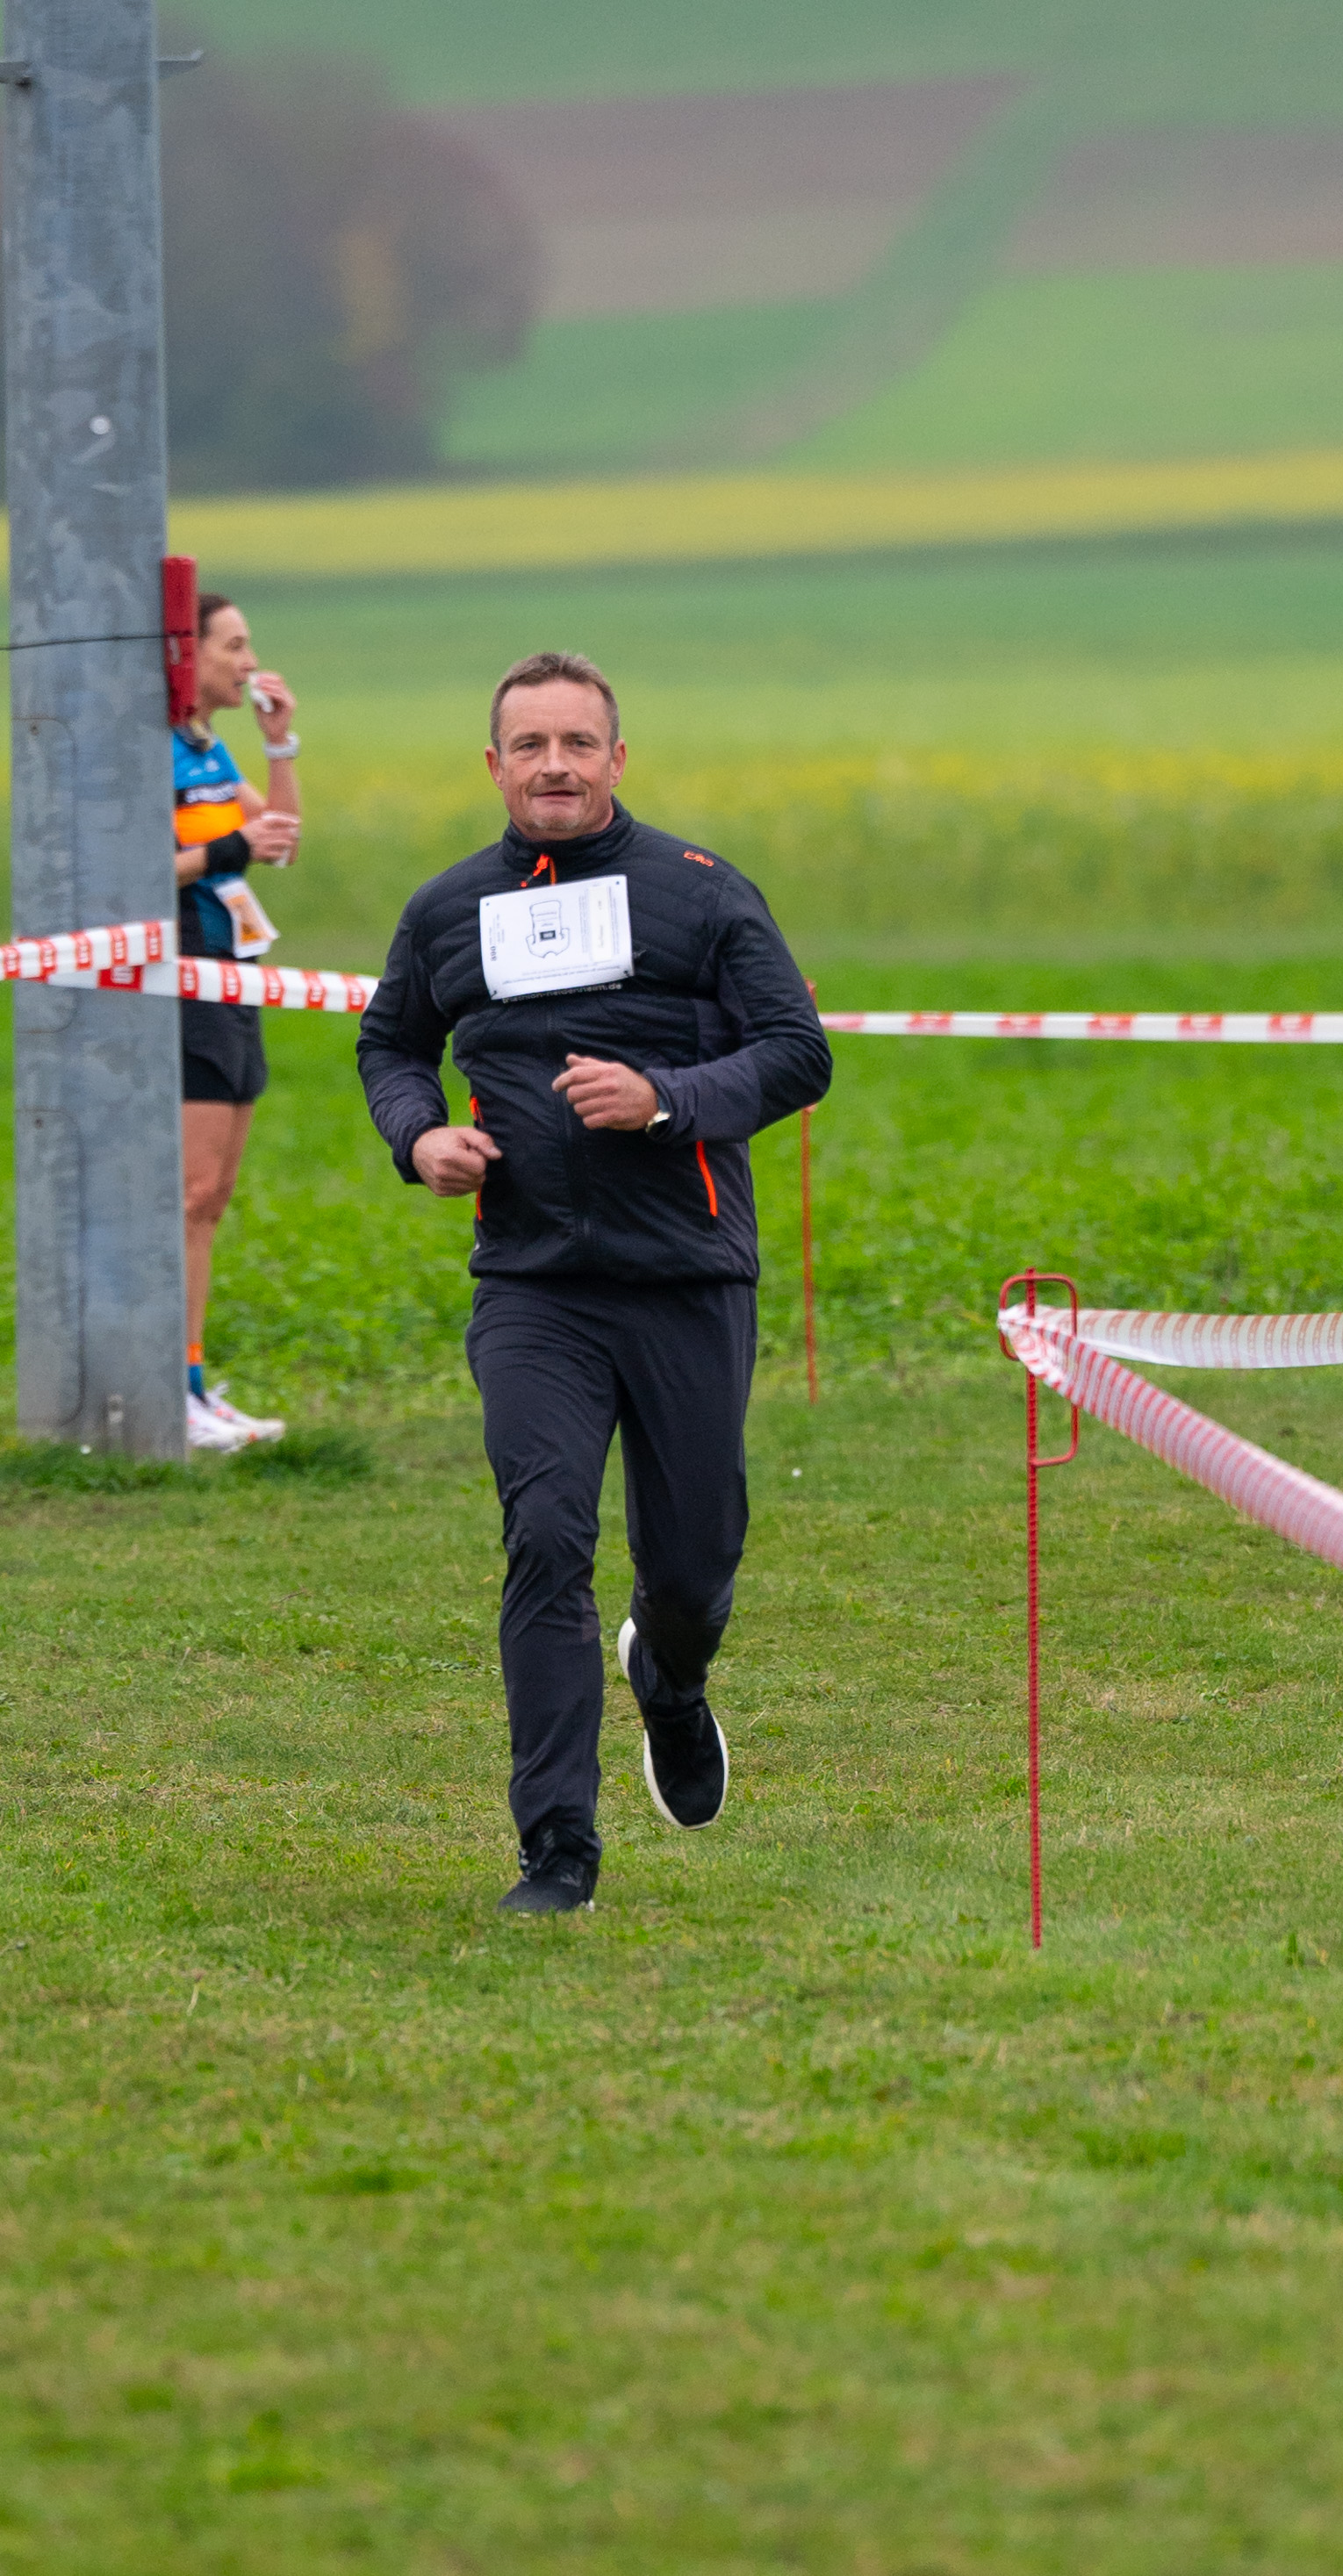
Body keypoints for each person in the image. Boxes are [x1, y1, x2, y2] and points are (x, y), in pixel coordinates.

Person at [357, 651, 831, 1915]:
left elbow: (797, 1053)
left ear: (618, 758)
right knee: (546, 1537)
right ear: (495, 764)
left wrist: (665, 1097)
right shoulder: (446, 909)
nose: (555, 765)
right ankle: (558, 1847)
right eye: (531, 745)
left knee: (692, 1566)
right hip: (535, 1288)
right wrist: (418, 1136)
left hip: (686, 1277)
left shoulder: (701, 892)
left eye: (578, 743)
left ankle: (670, 1677)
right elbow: (391, 1043)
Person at [176, 592, 303, 1451]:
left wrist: (278, 744)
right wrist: (229, 850)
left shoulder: (209, 749)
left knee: (213, 1197)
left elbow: (280, 838)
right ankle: (171, 1388)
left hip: (235, 976)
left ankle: (191, 1382)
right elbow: (129, 868)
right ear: (186, 654)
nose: (248, 661)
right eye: (234, 645)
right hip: (184, 980)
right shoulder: (152, 751)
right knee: (188, 1194)